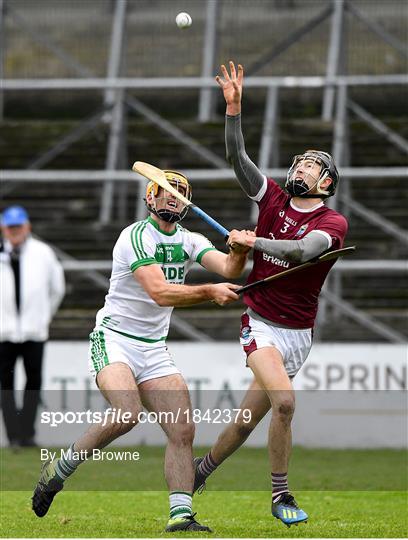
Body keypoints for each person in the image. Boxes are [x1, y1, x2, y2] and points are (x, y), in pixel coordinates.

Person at [32, 170, 251, 533]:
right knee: (126, 413)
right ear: (149, 199)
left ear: (186, 203)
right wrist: (209, 291)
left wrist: (238, 251)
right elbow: (160, 292)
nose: (171, 197)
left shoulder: (190, 239)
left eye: (179, 192)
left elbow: (229, 268)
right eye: (163, 191)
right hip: (115, 338)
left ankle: (181, 514)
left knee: (182, 429)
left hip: (154, 347)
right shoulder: (134, 236)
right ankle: (59, 469)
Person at [193, 62, 349, 527]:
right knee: (285, 404)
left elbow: (303, 253)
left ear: (326, 182)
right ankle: (282, 496)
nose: (303, 167)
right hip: (259, 322)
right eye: (300, 162)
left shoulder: (332, 223)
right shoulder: (273, 199)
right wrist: (234, 109)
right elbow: (238, 160)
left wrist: (253, 241)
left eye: (313, 166)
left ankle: (199, 472)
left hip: (298, 333)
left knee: (245, 421)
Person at [0, 206, 65, 448]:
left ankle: (27, 433)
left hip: (34, 331)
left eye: (18, 226)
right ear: (3, 229)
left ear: (27, 227)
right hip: (3, 332)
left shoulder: (43, 253)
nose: (14, 231)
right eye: (10, 227)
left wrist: (43, 317)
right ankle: (13, 436)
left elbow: (57, 288)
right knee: (5, 385)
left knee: (33, 382)